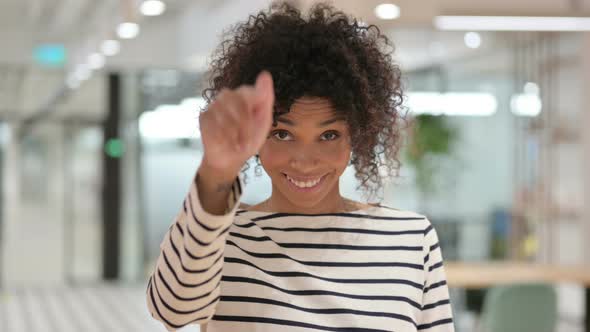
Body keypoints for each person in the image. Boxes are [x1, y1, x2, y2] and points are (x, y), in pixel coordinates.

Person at [146, 2, 454, 331]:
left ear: (357, 135)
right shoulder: (219, 237)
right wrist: (216, 171)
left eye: (329, 135)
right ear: (257, 137)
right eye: (282, 133)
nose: (305, 161)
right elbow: (172, 310)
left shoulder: (409, 238)